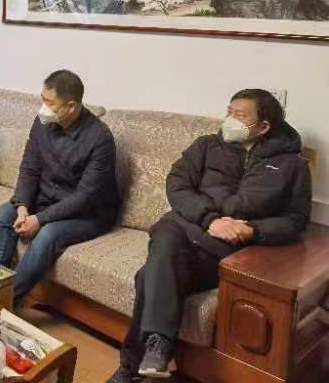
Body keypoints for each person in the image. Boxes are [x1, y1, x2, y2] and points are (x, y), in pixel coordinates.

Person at [109, 89, 312, 383]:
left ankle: (134, 366)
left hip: (223, 249)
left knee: (148, 275)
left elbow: (296, 220)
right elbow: (177, 184)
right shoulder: (206, 145)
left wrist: (254, 230)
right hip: (182, 226)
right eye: (229, 111)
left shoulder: (291, 165)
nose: (230, 118)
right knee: (165, 241)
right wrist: (210, 219)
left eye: (240, 115)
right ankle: (156, 349)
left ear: (263, 126)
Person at [0, 69, 118, 306]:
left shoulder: (100, 139)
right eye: (42, 100)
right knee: (1, 216)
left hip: (88, 213)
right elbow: (30, 168)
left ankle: (2, 302)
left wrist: (39, 219)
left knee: (47, 235)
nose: (42, 108)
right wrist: (23, 206)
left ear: (71, 106)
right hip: (45, 200)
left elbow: (85, 197)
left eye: (49, 103)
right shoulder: (43, 122)